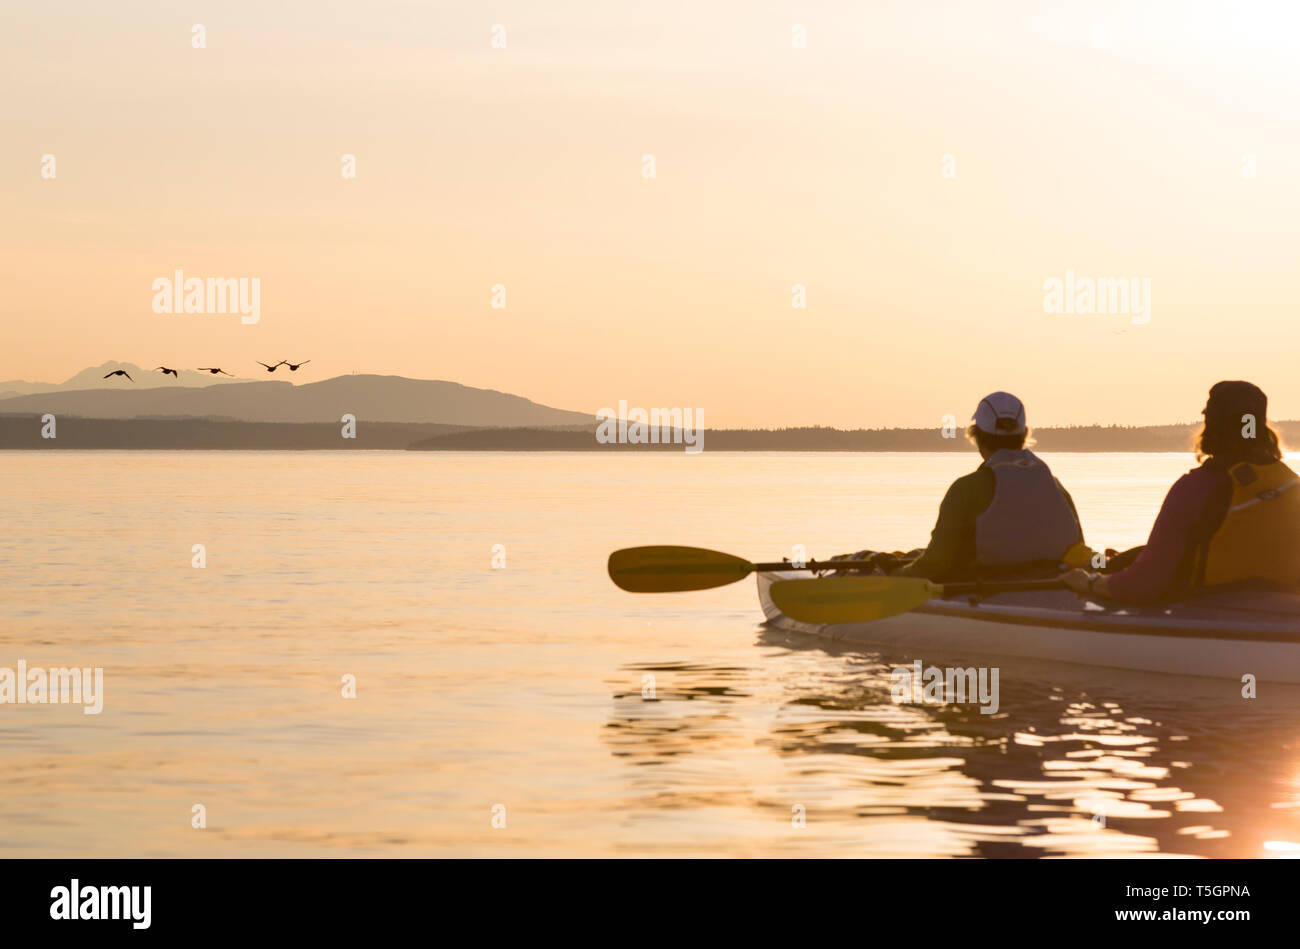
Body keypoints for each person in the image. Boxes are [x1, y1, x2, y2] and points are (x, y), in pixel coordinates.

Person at [1062, 381, 1300, 603]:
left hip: (1206, 610)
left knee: (1127, 562)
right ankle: (1104, 562)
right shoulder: (1291, 483)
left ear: (1212, 424)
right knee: (1133, 555)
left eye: (1206, 414)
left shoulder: (1197, 487)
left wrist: (1088, 583)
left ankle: (1097, 565)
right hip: (1283, 611)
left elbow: (1141, 583)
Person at [887, 391, 1084, 581]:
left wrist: (892, 574)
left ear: (976, 437)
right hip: (1054, 590)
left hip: (983, 592)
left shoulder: (964, 490)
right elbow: (1082, 553)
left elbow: (935, 565)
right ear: (1024, 435)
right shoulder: (1056, 487)